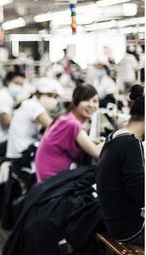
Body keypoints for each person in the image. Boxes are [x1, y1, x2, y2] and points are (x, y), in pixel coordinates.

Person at [96, 84, 144, 246]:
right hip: (133, 230)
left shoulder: (115, 136)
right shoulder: (131, 144)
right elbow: (141, 195)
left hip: (116, 224)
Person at [35, 84, 104, 182]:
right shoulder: (71, 124)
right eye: (86, 100)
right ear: (76, 102)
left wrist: (92, 141)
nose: (91, 105)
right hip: (53, 182)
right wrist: (109, 141)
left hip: (51, 178)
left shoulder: (66, 118)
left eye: (95, 101)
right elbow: (97, 153)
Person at [6, 78, 63, 160]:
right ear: (38, 94)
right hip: (21, 156)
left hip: (20, 152)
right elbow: (54, 127)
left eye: (55, 97)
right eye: (49, 95)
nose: (53, 100)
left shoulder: (30, 103)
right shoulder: (33, 106)